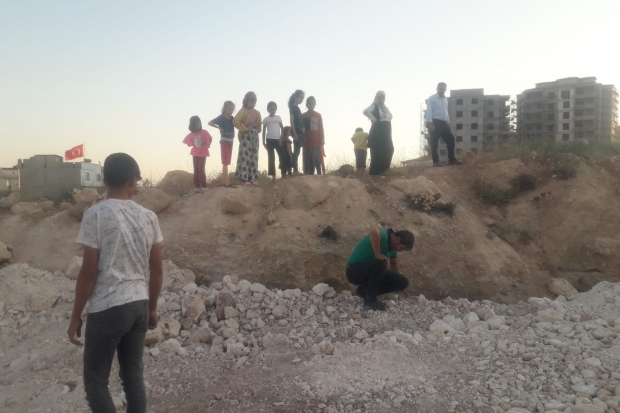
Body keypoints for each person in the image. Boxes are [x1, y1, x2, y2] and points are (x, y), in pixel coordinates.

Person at [67, 153, 164, 413]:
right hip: (139, 305)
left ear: (103, 180)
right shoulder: (149, 217)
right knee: (133, 378)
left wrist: (76, 316)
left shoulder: (95, 214)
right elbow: (156, 269)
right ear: (132, 181)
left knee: (95, 382)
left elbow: (88, 272)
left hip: (107, 308)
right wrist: (152, 308)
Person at [346, 227, 414, 311]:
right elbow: (374, 231)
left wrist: (399, 285)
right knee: (381, 262)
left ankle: (364, 292)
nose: (400, 251)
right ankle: (371, 299)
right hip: (354, 271)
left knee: (403, 282)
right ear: (398, 239)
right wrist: (377, 254)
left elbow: (393, 264)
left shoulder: (393, 249)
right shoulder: (384, 235)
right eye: (401, 248)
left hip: (371, 270)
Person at [426, 82, 460, 166]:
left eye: (442, 89)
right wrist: (430, 123)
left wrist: (448, 123)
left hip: (444, 123)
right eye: (439, 89)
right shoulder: (431, 98)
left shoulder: (445, 100)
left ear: (445, 90)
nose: (441, 91)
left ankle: (451, 160)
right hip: (435, 122)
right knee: (434, 143)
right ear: (437, 89)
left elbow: (445, 112)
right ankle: (436, 162)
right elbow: (429, 111)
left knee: (451, 140)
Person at [233, 91, 262, 186]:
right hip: (245, 135)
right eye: (251, 102)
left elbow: (259, 125)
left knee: (254, 156)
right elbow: (235, 121)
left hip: (254, 135)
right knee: (245, 156)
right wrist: (245, 128)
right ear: (246, 101)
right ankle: (244, 179)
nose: (253, 104)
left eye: (254, 102)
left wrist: (257, 130)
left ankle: (253, 178)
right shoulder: (243, 111)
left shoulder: (257, 112)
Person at [363, 91, 394, 176]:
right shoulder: (374, 105)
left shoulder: (385, 108)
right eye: (379, 97)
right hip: (378, 130)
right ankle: (375, 173)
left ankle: (384, 170)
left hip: (386, 130)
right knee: (377, 150)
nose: (381, 99)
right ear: (376, 98)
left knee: (389, 149)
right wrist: (372, 118)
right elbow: (365, 111)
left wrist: (387, 121)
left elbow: (391, 116)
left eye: (382, 97)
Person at [208, 101, 236, 188]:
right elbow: (210, 122)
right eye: (229, 109)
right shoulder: (221, 118)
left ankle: (223, 181)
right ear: (224, 109)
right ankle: (226, 181)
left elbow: (238, 123)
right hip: (224, 140)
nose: (231, 111)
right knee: (225, 161)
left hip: (231, 140)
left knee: (227, 160)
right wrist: (219, 127)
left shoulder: (232, 119)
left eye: (232, 109)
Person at [182, 116, 212, 192]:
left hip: (203, 153)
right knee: (196, 170)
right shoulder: (191, 134)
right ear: (192, 125)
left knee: (201, 169)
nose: (197, 126)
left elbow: (210, 138)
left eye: (198, 124)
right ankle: (197, 186)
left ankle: (204, 186)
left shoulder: (205, 132)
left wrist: (207, 146)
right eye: (195, 124)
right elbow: (186, 141)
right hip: (195, 153)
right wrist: (193, 144)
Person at [302, 96, 325, 175]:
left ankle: (319, 173)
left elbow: (321, 127)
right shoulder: (303, 115)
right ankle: (311, 174)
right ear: (306, 105)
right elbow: (301, 128)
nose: (311, 105)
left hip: (316, 139)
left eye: (313, 104)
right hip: (306, 140)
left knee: (315, 157)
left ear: (315, 104)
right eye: (309, 104)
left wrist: (322, 139)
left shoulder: (318, 115)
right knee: (309, 158)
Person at [262, 101, 284, 181]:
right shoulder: (266, 119)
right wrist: (263, 142)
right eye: (271, 109)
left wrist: (281, 138)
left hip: (277, 139)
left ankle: (283, 173)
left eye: (274, 109)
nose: (273, 111)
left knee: (281, 155)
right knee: (271, 157)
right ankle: (273, 176)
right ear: (268, 109)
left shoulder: (278, 118)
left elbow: (282, 128)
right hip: (269, 139)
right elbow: (264, 131)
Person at [288, 90, 305, 173]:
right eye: (300, 97)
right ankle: (295, 169)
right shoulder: (293, 107)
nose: (302, 100)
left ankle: (295, 169)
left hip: (300, 131)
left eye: (303, 98)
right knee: (296, 151)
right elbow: (291, 121)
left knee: (298, 151)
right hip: (297, 132)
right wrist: (294, 133)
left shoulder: (297, 108)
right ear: (295, 97)